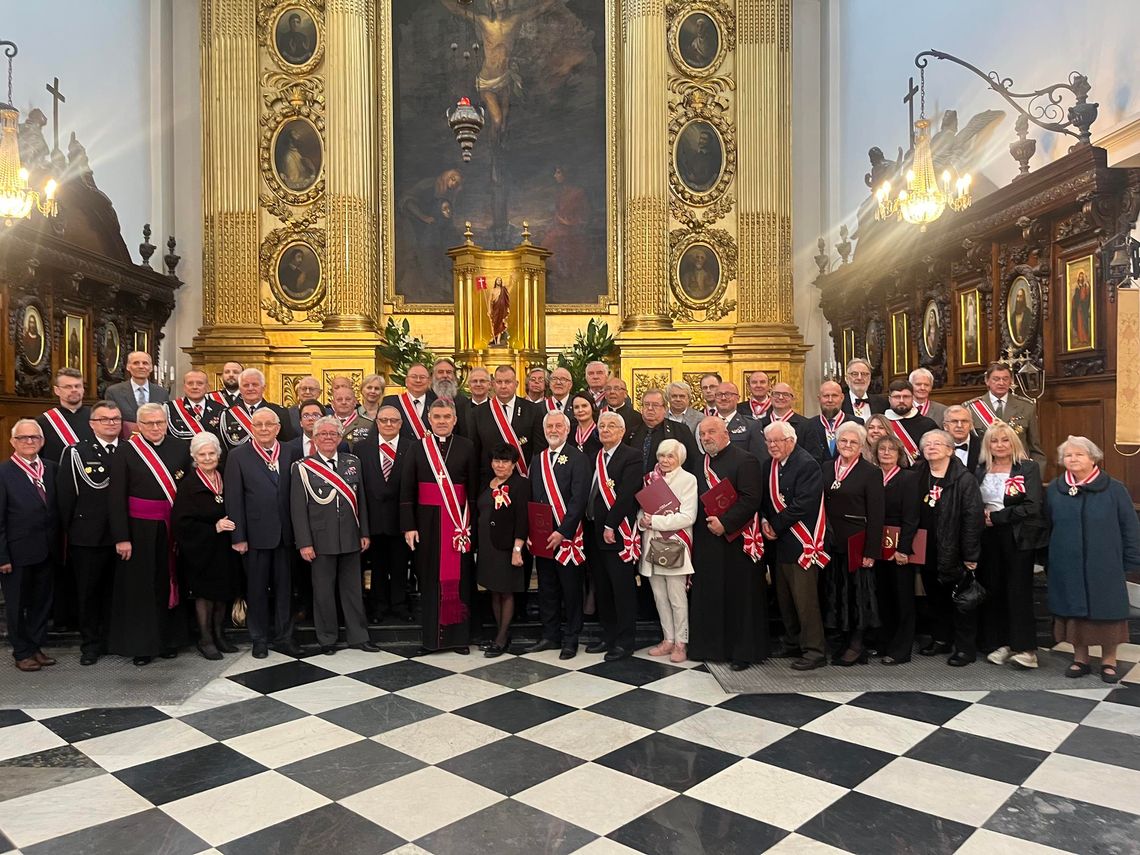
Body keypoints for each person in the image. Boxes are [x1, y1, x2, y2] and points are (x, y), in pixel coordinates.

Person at [1046, 436, 1140, 683]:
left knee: (1108, 611)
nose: (1073, 459)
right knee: (1074, 613)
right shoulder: (1056, 489)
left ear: (1093, 457)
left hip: (1105, 564)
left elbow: (1130, 527)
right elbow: (1047, 526)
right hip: (1066, 563)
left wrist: (1131, 561)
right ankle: (1081, 659)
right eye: (1068, 455)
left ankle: (1109, 661)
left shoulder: (1114, 488)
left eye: (1079, 454)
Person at [108, 403, 191, 666]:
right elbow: (116, 497)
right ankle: (143, 645)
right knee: (142, 587)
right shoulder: (126, 452)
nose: (155, 428)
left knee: (169, 581)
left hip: (172, 526)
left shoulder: (180, 447)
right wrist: (122, 537)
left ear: (167, 423)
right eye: (149, 423)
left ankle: (169, 640)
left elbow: (187, 490)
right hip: (138, 529)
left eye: (160, 423)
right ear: (138, 426)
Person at [290, 416, 376, 655]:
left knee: (353, 590)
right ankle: (327, 638)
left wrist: (364, 532)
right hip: (320, 540)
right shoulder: (303, 467)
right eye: (323, 434)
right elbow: (297, 509)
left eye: (332, 434)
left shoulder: (353, 462)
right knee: (323, 591)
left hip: (350, 536)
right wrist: (304, 542)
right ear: (315, 439)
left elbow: (362, 502)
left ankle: (359, 636)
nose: (328, 438)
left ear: (340, 438)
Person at [401, 400, 479, 653]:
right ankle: (431, 640)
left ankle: (459, 639)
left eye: (447, 416)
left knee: (461, 579)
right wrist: (409, 526)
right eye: (437, 416)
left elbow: (474, 491)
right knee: (430, 579)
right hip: (427, 522)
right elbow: (407, 490)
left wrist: (472, 526)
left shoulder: (467, 446)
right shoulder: (416, 448)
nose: (442, 421)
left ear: (455, 420)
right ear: (429, 419)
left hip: (458, 523)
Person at [225, 407, 302, 659]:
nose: (264, 429)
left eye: (269, 424)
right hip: (255, 535)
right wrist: (239, 537)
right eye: (258, 425)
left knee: (285, 588)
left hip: (287, 534)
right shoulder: (238, 456)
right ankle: (259, 638)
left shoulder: (292, 451)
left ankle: (284, 636)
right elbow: (234, 499)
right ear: (251, 427)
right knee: (256, 589)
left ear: (278, 428)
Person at [690, 417, 766, 669]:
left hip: (736, 539)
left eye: (711, 432)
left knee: (738, 597)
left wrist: (725, 523)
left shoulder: (745, 460)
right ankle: (711, 648)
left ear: (727, 433)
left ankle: (741, 652)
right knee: (709, 593)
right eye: (702, 434)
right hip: (706, 539)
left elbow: (751, 499)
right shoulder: (698, 463)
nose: (706, 437)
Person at [976, 421, 1047, 670]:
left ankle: (1026, 648)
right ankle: (1001, 643)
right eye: (994, 441)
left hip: (1018, 536)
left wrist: (996, 518)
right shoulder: (982, 469)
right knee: (994, 590)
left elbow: (1032, 505)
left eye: (1005, 440)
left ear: (1013, 442)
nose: (999, 445)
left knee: (1018, 591)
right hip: (988, 538)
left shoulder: (1027, 468)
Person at [912, 430, 985, 666]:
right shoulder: (918, 474)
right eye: (927, 444)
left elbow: (973, 518)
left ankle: (965, 648)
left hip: (954, 550)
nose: (931, 447)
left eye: (937, 444)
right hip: (926, 548)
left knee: (961, 601)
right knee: (935, 597)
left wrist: (970, 554)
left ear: (950, 450)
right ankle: (941, 639)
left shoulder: (964, 479)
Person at [56, 401, 121, 666]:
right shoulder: (76, 453)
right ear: (92, 424)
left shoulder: (130, 450)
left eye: (115, 419)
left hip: (122, 537)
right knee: (89, 592)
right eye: (104, 419)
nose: (111, 423)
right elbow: (66, 499)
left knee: (116, 592)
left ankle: (112, 639)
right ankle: (90, 644)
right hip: (88, 537)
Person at [759, 420, 826, 670]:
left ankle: (814, 650)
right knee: (784, 597)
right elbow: (765, 498)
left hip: (802, 541)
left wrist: (775, 526)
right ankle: (792, 642)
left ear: (791, 440)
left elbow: (804, 503)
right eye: (769, 441)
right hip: (779, 544)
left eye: (778, 441)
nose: (773, 445)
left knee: (805, 599)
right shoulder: (769, 465)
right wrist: (766, 520)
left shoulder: (806, 464)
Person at [525, 413, 588, 659]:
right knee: (547, 588)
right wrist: (531, 531)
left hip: (567, 537)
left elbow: (579, 498)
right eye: (549, 425)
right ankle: (550, 635)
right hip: (542, 538)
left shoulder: (578, 458)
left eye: (558, 425)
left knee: (571, 589)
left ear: (567, 429)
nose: (553, 429)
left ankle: (571, 638)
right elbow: (532, 497)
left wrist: (562, 531)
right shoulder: (537, 459)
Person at [174, 433, 240, 660]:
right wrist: (214, 527)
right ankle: (206, 639)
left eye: (212, 453)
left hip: (224, 548)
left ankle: (220, 635)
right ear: (194, 457)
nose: (208, 457)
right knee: (205, 595)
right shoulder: (188, 485)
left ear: (218, 454)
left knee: (223, 592)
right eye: (202, 454)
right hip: (201, 550)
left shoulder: (225, 476)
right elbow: (182, 523)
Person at [822, 422, 884, 665]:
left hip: (857, 543)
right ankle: (841, 640)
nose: (847, 445)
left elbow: (877, 514)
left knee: (858, 594)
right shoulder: (827, 468)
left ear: (861, 446)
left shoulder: (870, 472)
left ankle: (857, 645)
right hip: (831, 541)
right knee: (837, 592)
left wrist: (871, 550)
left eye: (853, 442)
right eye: (843, 441)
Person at [583, 412, 642, 660]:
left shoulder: (632, 456)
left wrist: (610, 524)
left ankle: (625, 641)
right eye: (602, 425)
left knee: (622, 588)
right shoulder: (595, 456)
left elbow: (627, 495)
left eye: (612, 426)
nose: (606, 429)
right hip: (594, 532)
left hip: (617, 533)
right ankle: (608, 636)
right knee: (603, 588)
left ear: (622, 430)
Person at [0, 420, 59, 672]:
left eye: (34, 437)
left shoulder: (51, 468)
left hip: (47, 549)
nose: (29, 442)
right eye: (23, 438)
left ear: (42, 441)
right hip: (16, 552)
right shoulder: (3, 473)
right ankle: (21, 651)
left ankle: (35, 646)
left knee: (41, 602)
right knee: (16, 605)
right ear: (13, 442)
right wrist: (2, 556)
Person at [638, 439, 698, 664]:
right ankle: (668, 639)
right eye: (662, 455)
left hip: (675, 542)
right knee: (659, 596)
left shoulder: (687, 480)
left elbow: (688, 516)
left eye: (670, 456)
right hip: (652, 542)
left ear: (679, 458)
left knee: (676, 597)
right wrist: (642, 522)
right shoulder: (650, 479)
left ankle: (681, 642)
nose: (664, 460)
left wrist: (655, 521)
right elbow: (642, 510)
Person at [358, 405, 414, 623]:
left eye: (393, 420)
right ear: (377, 423)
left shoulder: (412, 447)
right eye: (384, 420)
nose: (389, 424)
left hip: (401, 519)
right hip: (374, 519)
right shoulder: (362, 449)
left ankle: (399, 604)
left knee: (400, 565)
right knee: (378, 566)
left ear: (400, 423)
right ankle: (378, 606)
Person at [478, 445, 531, 657]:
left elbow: (522, 519)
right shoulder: (486, 483)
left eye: (505, 461)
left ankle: (501, 637)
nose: (500, 465)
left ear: (513, 464)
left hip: (507, 547)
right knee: (494, 589)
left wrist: (518, 549)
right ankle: (500, 633)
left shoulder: (521, 484)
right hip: (486, 546)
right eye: (497, 461)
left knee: (506, 590)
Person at [873, 434, 921, 665]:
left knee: (902, 598)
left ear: (899, 454)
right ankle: (884, 643)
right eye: (882, 449)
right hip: (876, 544)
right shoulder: (872, 477)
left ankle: (901, 649)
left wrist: (904, 549)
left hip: (900, 544)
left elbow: (911, 517)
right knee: (883, 597)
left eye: (892, 449)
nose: (886, 453)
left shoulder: (908, 478)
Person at [471, 365, 545, 487]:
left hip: (523, 481)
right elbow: (476, 453)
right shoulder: (478, 413)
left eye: (508, 382)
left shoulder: (533, 410)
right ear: (493, 384)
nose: (503, 386)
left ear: (516, 384)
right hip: (490, 482)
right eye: (499, 382)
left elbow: (539, 450)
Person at [963, 363, 1044, 465]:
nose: (1001, 383)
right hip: (983, 469)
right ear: (987, 381)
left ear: (1011, 381)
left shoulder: (1026, 407)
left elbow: (1035, 447)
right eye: (996, 379)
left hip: (1018, 469)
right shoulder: (970, 408)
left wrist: (1036, 474)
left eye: (1005, 379)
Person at [625, 389, 701, 478]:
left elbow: (694, 461)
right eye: (646, 404)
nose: (650, 408)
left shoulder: (680, 430)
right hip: (636, 486)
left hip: (670, 485)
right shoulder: (632, 432)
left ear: (665, 409)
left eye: (655, 405)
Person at [221, 368, 294, 449]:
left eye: (255, 385)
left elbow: (288, 446)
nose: (250, 388)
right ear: (240, 389)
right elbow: (223, 450)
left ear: (263, 388)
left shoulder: (280, 412)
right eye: (246, 385)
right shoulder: (228, 414)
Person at [799, 380, 862, 470]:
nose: (830, 400)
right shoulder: (808, 426)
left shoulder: (857, 424)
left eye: (834, 396)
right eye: (826, 396)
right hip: (817, 480)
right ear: (819, 398)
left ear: (842, 398)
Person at [37, 368, 94, 464]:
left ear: (83, 389)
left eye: (77, 386)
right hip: (57, 476)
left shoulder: (96, 417)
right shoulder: (44, 421)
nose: (74, 390)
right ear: (57, 390)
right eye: (68, 387)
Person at [106, 351, 170, 426]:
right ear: (128, 367)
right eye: (136, 363)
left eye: (145, 363)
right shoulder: (114, 392)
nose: (141, 366)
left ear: (151, 368)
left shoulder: (162, 393)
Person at [883, 380, 938, 465]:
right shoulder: (882, 423)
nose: (901, 400)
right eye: (897, 397)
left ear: (912, 398)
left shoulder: (928, 425)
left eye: (906, 396)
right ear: (889, 399)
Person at [166, 369, 225, 442]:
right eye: (190, 383)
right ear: (184, 387)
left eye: (199, 383)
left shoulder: (220, 409)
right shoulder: (170, 409)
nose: (194, 387)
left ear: (207, 387)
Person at [382, 362, 435, 441]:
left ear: (429, 381)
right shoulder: (391, 402)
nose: (418, 380)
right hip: (399, 452)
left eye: (422, 377)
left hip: (427, 452)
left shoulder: (436, 404)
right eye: (414, 377)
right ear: (406, 381)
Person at [715, 382, 766, 459]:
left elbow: (760, 458)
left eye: (728, 394)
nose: (723, 398)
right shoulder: (705, 424)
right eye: (719, 395)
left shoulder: (752, 425)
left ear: (738, 398)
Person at [943, 405, 983, 474]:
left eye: (964, 421)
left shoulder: (983, 446)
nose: (959, 425)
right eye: (954, 421)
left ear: (971, 425)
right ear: (945, 426)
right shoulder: (937, 446)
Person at [570, 392, 602, 459]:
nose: (580, 410)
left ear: (593, 406)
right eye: (576, 407)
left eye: (584, 406)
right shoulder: (569, 432)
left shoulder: (600, 432)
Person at [1070, 270, 1092, 348]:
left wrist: (1083, 302)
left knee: (1084, 322)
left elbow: (1087, 297)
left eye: (1082, 276)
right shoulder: (1078, 286)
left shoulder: (1086, 285)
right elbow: (1076, 297)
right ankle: (1080, 338)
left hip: (1084, 307)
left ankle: (1085, 338)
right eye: (1080, 276)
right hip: (1079, 307)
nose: (1081, 277)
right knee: (1079, 322)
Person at [489, 277, 510, 346]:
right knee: (494, 324)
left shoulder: (503, 289)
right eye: (498, 280)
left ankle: (498, 340)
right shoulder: (492, 290)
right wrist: (489, 310)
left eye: (500, 280)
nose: (499, 281)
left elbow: (506, 299)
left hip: (502, 309)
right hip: (495, 309)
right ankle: (493, 338)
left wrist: (511, 279)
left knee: (501, 324)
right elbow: (490, 301)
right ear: (495, 281)